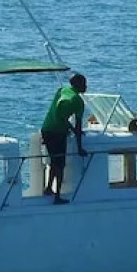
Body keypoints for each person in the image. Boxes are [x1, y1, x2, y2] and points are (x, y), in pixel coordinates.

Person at [40, 72, 88, 203]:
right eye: (84, 83)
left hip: (46, 129)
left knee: (54, 161)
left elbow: (60, 115)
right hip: (58, 132)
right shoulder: (78, 101)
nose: (86, 86)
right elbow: (78, 126)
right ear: (78, 85)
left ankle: (49, 188)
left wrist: (70, 128)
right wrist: (80, 148)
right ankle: (57, 197)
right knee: (60, 165)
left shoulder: (61, 90)